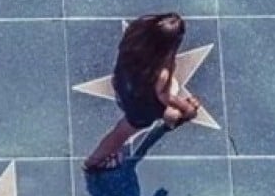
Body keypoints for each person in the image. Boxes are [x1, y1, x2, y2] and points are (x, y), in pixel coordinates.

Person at [84, 12, 201, 171]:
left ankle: (171, 117)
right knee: (122, 132)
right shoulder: (161, 72)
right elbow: (164, 96)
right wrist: (186, 109)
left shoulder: (133, 35)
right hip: (142, 108)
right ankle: (95, 162)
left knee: (124, 127)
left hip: (122, 86)